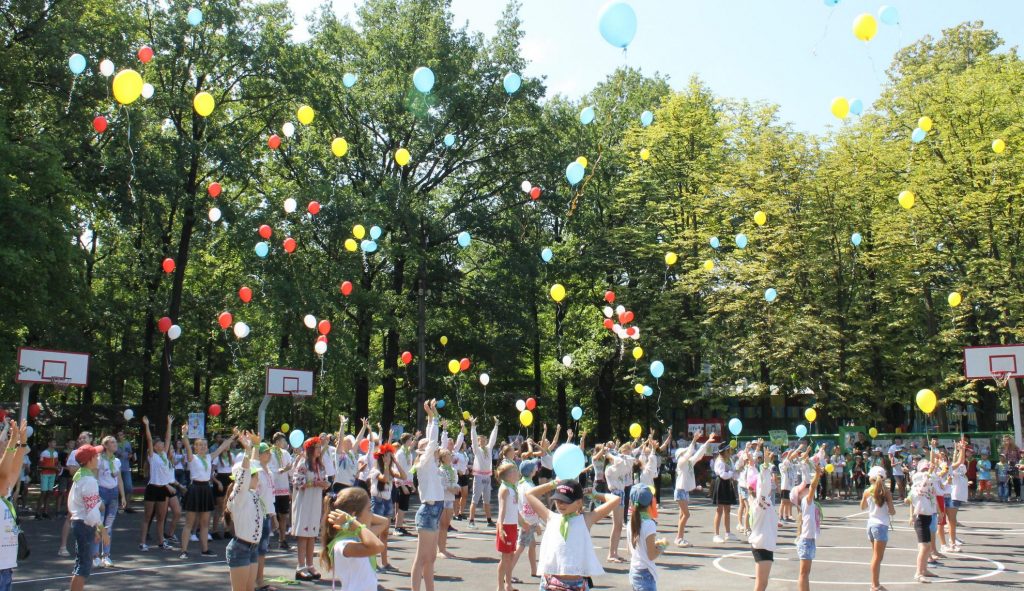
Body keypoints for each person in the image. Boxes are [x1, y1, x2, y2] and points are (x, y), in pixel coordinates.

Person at [524, 478, 619, 591]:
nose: (560, 504)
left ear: (579, 502)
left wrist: (595, 494)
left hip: (576, 584)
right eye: (558, 500)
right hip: (550, 582)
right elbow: (529, 494)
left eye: (566, 501)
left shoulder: (586, 519)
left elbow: (615, 499)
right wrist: (552, 484)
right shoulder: (550, 517)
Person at [179, 424, 234, 559]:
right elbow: (186, 444)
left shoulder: (210, 457)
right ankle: (183, 551)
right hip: (195, 489)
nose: (203, 447)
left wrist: (234, 436)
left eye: (205, 445)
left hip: (206, 489)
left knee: (205, 523)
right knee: (189, 523)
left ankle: (205, 549)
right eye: (200, 445)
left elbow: (222, 447)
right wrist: (184, 434)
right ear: (196, 447)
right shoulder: (192, 457)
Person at [321, 487, 388, 591]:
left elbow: (384, 522)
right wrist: (353, 522)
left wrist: (354, 521)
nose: (371, 514)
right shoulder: (343, 544)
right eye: (369, 509)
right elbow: (378, 547)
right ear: (354, 515)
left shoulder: (359, 535)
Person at [410, 400, 445, 591]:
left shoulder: (431, 462)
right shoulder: (424, 461)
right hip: (428, 510)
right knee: (422, 557)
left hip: (435, 509)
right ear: (422, 450)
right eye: (424, 444)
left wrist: (432, 417)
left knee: (430, 557)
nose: (430, 444)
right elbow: (432, 440)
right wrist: (432, 416)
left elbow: (433, 440)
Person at [225, 430, 264, 591]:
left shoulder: (251, 493)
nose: (258, 478)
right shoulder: (239, 495)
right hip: (241, 548)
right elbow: (244, 474)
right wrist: (247, 451)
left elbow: (252, 466)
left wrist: (254, 445)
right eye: (255, 476)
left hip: (252, 547)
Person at [68, 441, 109, 591]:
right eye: (96, 456)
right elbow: (92, 511)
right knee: (83, 566)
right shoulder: (89, 480)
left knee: (82, 563)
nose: (98, 458)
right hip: (84, 524)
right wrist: (102, 530)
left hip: (81, 523)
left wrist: (96, 529)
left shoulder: (80, 477)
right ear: (90, 460)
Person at [292, 435, 329, 581]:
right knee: (303, 534)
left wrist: (325, 484)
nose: (320, 450)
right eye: (318, 447)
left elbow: (324, 479)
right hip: (304, 502)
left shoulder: (320, 465)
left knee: (312, 533)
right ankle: (300, 566)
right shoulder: (303, 464)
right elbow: (297, 481)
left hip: (315, 501)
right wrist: (315, 483)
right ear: (311, 449)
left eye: (320, 447)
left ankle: (309, 564)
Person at [0, 420, 30, 590]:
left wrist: (22, 443)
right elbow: (4, 475)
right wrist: (12, 443)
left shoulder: (5, 490)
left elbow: (12, 472)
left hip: (5, 567)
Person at [368, 440, 406, 572]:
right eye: (387, 456)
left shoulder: (391, 469)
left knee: (384, 534)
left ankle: (385, 562)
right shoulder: (374, 470)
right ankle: (373, 563)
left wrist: (395, 462)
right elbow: (384, 479)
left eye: (390, 456)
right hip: (377, 501)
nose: (389, 458)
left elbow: (404, 476)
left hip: (387, 501)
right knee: (375, 534)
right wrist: (386, 465)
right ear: (382, 457)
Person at [139, 417, 175, 552]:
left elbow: (168, 438)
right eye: (157, 444)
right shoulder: (152, 456)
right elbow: (148, 439)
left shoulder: (164, 455)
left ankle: (161, 542)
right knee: (147, 517)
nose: (161, 445)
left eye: (161, 444)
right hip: (152, 488)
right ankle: (142, 542)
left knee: (161, 517)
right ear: (154, 447)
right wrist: (147, 425)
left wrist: (169, 424)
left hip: (163, 490)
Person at [673, 430, 715, 546]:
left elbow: (699, 453)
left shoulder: (690, 462)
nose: (688, 452)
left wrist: (707, 442)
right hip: (680, 491)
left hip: (684, 491)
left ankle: (679, 538)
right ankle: (679, 538)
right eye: (684, 452)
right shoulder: (681, 462)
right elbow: (689, 453)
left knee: (682, 515)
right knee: (686, 515)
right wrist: (694, 440)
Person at [748, 440, 777, 591]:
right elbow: (763, 487)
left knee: (762, 584)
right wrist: (765, 466)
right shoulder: (760, 502)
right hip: (762, 545)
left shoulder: (761, 503)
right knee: (761, 585)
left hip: (764, 543)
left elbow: (752, 470)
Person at [861, 466, 896, 591]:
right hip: (881, 525)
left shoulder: (867, 491)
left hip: (871, 524)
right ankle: (874, 584)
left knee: (876, 556)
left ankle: (875, 583)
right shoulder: (886, 492)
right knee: (877, 557)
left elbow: (862, 507)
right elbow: (892, 511)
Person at [59, 432, 92, 556]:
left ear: (91, 439)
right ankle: (63, 546)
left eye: (85, 438)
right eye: (80, 438)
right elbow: (72, 471)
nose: (82, 439)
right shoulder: (74, 453)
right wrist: (86, 467)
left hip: (91, 487)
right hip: (78, 487)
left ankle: (88, 550)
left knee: (91, 518)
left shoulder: (94, 453)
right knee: (70, 516)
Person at [95, 436, 127, 568]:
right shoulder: (99, 460)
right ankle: (95, 556)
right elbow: (95, 478)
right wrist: (96, 496)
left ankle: (106, 556)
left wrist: (123, 496)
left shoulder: (117, 461)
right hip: (102, 492)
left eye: (115, 442)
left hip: (113, 494)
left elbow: (119, 479)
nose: (115, 444)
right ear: (106, 445)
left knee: (108, 526)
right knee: (99, 525)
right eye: (112, 442)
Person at [792, 459, 823, 591]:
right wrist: (817, 475)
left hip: (809, 540)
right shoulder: (806, 501)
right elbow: (813, 487)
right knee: (804, 574)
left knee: (806, 573)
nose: (806, 487)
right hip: (806, 541)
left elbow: (811, 487)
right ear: (800, 494)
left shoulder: (807, 502)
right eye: (804, 487)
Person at [628, 486, 665, 591]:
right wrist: (661, 547)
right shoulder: (649, 524)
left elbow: (630, 549)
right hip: (645, 574)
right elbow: (651, 555)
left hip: (634, 570)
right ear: (651, 502)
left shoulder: (632, 521)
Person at [907, 458, 938, 582]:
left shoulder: (928, 490)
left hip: (927, 517)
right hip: (921, 519)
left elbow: (932, 478)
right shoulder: (918, 490)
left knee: (927, 545)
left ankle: (924, 569)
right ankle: (918, 573)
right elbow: (927, 478)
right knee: (924, 546)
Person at [493, 462, 522, 591]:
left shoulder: (513, 487)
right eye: (514, 471)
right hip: (505, 526)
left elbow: (515, 510)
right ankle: (500, 586)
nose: (517, 473)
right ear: (508, 475)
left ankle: (508, 585)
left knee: (510, 557)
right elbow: (502, 510)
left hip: (513, 525)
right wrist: (500, 527)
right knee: (505, 558)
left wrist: (523, 523)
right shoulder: (505, 489)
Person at [468, 415, 500, 529]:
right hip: (479, 477)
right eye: (480, 440)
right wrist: (473, 426)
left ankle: (489, 520)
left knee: (487, 500)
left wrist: (496, 425)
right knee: (475, 499)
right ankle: (471, 520)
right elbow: (473, 439)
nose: (482, 441)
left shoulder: (489, 449)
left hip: (487, 477)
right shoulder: (477, 450)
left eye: (483, 440)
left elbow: (493, 438)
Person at [604, 444, 634, 562]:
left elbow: (628, 465)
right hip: (615, 494)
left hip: (621, 494)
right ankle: (611, 554)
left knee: (619, 525)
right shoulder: (610, 469)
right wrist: (610, 454)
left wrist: (627, 457)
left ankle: (614, 552)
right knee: (616, 524)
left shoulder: (619, 467)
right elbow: (620, 461)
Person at [514, 460, 542, 577]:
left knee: (532, 544)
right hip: (528, 520)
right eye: (534, 468)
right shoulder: (529, 486)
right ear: (531, 472)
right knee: (520, 547)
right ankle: (507, 572)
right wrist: (537, 522)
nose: (536, 469)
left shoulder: (520, 484)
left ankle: (534, 570)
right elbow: (532, 504)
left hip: (525, 518)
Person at [268, 431, 294, 549]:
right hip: (272, 489)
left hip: (283, 488)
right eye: (283, 441)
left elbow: (291, 471)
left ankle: (282, 540)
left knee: (284, 515)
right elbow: (269, 470)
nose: (285, 443)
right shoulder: (269, 453)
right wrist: (283, 469)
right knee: (270, 515)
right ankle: (265, 539)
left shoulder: (286, 453)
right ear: (277, 441)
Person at [438, 448, 461, 558]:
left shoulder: (453, 470)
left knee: (446, 525)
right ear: (443, 458)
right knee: (441, 525)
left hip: (450, 499)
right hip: (442, 499)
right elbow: (440, 485)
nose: (450, 457)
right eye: (448, 455)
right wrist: (449, 488)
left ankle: (444, 548)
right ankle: (440, 549)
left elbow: (455, 482)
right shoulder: (440, 470)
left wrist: (457, 488)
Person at [712, 444, 738, 543]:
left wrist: (735, 472)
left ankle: (728, 533)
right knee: (719, 510)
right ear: (724, 452)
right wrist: (732, 473)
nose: (730, 452)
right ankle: (716, 534)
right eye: (728, 450)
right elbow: (723, 475)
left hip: (727, 484)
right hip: (721, 484)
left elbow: (732, 472)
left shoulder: (729, 460)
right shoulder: (720, 461)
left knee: (727, 509)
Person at [211, 436, 235, 540]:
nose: (228, 446)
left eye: (229, 444)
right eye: (226, 444)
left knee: (228, 507)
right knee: (219, 507)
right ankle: (215, 530)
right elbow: (211, 473)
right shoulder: (217, 457)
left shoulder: (231, 456)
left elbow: (234, 470)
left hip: (229, 480)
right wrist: (218, 482)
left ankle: (227, 530)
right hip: (220, 480)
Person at [946, 439, 968, 552]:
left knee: (951, 520)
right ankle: (950, 541)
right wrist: (959, 449)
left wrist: (961, 449)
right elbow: (958, 460)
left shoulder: (953, 469)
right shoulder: (948, 469)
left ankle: (952, 539)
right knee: (950, 520)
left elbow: (960, 461)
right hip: (950, 496)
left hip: (955, 496)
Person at [394, 433, 417, 537]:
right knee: (401, 506)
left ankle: (400, 526)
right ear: (407, 441)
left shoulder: (408, 453)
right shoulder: (400, 453)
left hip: (407, 482)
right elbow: (397, 470)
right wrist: (402, 485)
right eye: (411, 440)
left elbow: (409, 471)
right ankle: (397, 527)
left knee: (404, 506)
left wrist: (411, 484)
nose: (412, 442)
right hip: (401, 483)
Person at [36, 439, 60, 519]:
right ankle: (37, 512)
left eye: (55, 442)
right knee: (43, 492)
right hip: (45, 474)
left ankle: (45, 512)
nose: (54, 444)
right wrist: (51, 467)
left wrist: (57, 468)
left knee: (49, 493)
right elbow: (40, 465)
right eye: (53, 442)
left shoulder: (56, 453)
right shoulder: (44, 453)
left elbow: (56, 464)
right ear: (49, 443)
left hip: (52, 474)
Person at [115, 431, 135, 512]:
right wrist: (118, 455)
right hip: (117, 468)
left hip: (126, 468)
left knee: (129, 487)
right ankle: (117, 505)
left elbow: (131, 453)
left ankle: (127, 506)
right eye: (118, 435)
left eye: (121, 434)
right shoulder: (115, 444)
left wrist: (130, 456)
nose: (120, 436)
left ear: (124, 435)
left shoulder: (127, 443)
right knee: (116, 487)